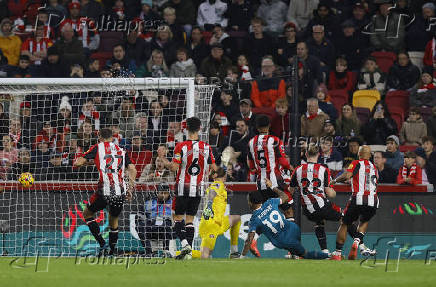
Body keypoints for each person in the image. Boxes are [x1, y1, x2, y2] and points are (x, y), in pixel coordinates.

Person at [73, 128, 137, 256]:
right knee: (113, 220)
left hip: (105, 190)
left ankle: (103, 244)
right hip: (120, 190)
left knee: (87, 213)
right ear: (113, 138)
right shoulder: (121, 150)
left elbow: (77, 163)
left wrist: (82, 161)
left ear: (99, 137)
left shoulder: (98, 147)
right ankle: (112, 251)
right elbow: (132, 169)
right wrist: (130, 187)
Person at [159, 117, 216, 260]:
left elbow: (173, 167)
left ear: (185, 129)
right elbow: (213, 169)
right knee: (190, 220)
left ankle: (186, 245)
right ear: (200, 129)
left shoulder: (181, 146)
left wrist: (162, 158)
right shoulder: (206, 147)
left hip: (183, 187)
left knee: (177, 218)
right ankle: (189, 253)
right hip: (198, 188)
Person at [247, 115, 294, 256]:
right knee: (288, 212)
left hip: (261, 183)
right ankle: (292, 250)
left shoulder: (251, 143)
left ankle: (253, 240)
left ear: (256, 128)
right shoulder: (275, 141)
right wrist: (290, 168)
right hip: (276, 182)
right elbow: (283, 162)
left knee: (264, 214)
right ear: (269, 126)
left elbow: (251, 167)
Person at [240, 187, 329, 260]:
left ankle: (329, 256)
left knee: (305, 254)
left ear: (250, 203)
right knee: (296, 251)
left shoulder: (254, 219)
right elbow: (285, 196)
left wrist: (242, 256)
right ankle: (295, 254)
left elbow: (249, 239)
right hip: (293, 228)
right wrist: (273, 187)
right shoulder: (270, 202)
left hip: (285, 240)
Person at [288, 144, 342, 254]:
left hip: (307, 210)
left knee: (319, 222)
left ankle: (325, 250)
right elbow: (330, 194)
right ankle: (353, 247)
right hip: (321, 205)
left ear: (306, 154)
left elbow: (291, 191)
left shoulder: (298, 170)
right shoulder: (324, 169)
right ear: (319, 155)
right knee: (346, 219)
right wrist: (334, 191)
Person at [330, 145, 378, 260]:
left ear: (359, 154)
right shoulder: (374, 167)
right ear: (370, 155)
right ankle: (357, 242)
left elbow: (347, 175)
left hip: (358, 197)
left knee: (344, 223)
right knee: (364, 221)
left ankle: (337, 253)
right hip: (374, 200)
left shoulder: (356, 163)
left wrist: (334, 180)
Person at [199, 167, 241, 259]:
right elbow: (212, 192)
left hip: (219, 222)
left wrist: (227, 192)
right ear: (224, 176)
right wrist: (210, 204)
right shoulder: (218, 184)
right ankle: (178, 253)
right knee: (205, 255)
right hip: (211, 225)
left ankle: (234, 253)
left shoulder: (221, 186)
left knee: (236, 218)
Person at [135, 184, 174, 257]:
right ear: (157, 193)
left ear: (169, 194)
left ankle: (166, 251)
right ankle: (148, 252)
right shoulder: (149, 202)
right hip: (151, 227)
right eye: (161, 193)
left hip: (167, 229)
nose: (163, 195)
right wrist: (145, 221)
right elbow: (139, 216)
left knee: (167, 224)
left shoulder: (173, 204)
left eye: (165, 193)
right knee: (139, 226)